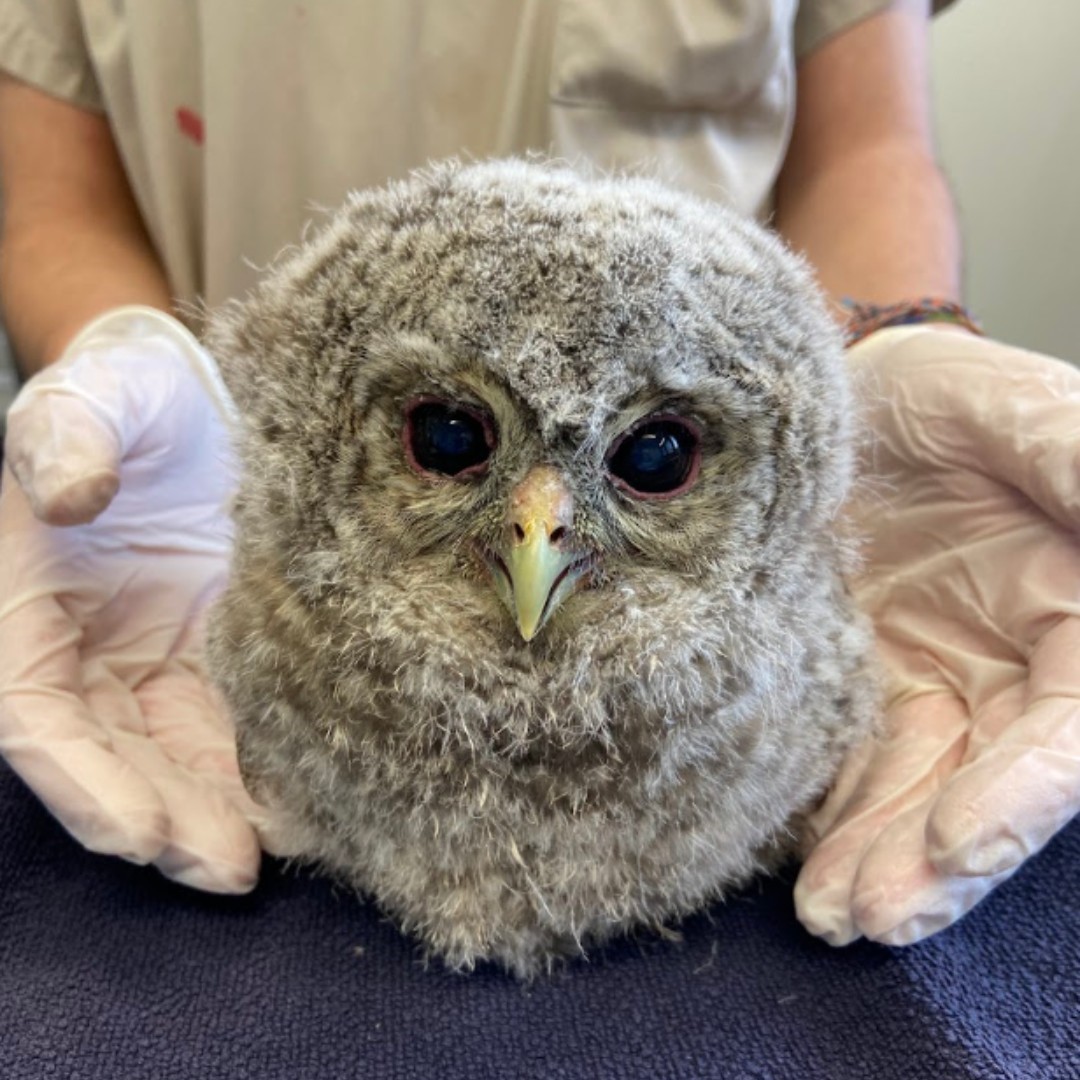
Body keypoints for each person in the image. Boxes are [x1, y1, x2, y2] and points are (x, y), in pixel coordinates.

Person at [0, 0, 1076, 949]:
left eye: (654, 462)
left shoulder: (771, 618)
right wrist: (135, 367)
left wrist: (885, 352)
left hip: (718, 352)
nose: (538, 533)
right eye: (449, 442)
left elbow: (866, 147)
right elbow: (54, 199)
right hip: (236, 520)